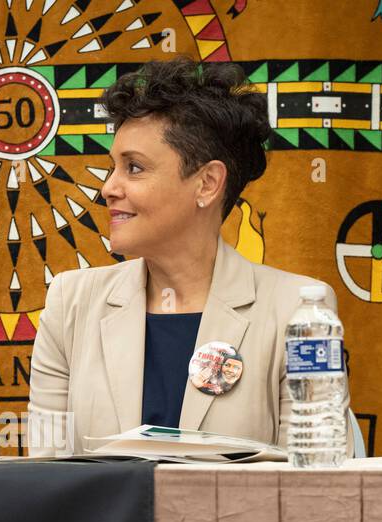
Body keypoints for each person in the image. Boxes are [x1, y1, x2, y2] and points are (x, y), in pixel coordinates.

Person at [25, 56, 349, 456]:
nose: (109, 188)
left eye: (134, 168)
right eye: (113, 167)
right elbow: (42, 476)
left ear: (207, 184)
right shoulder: (69, 303)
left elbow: (317, 481)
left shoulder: (299, 310)